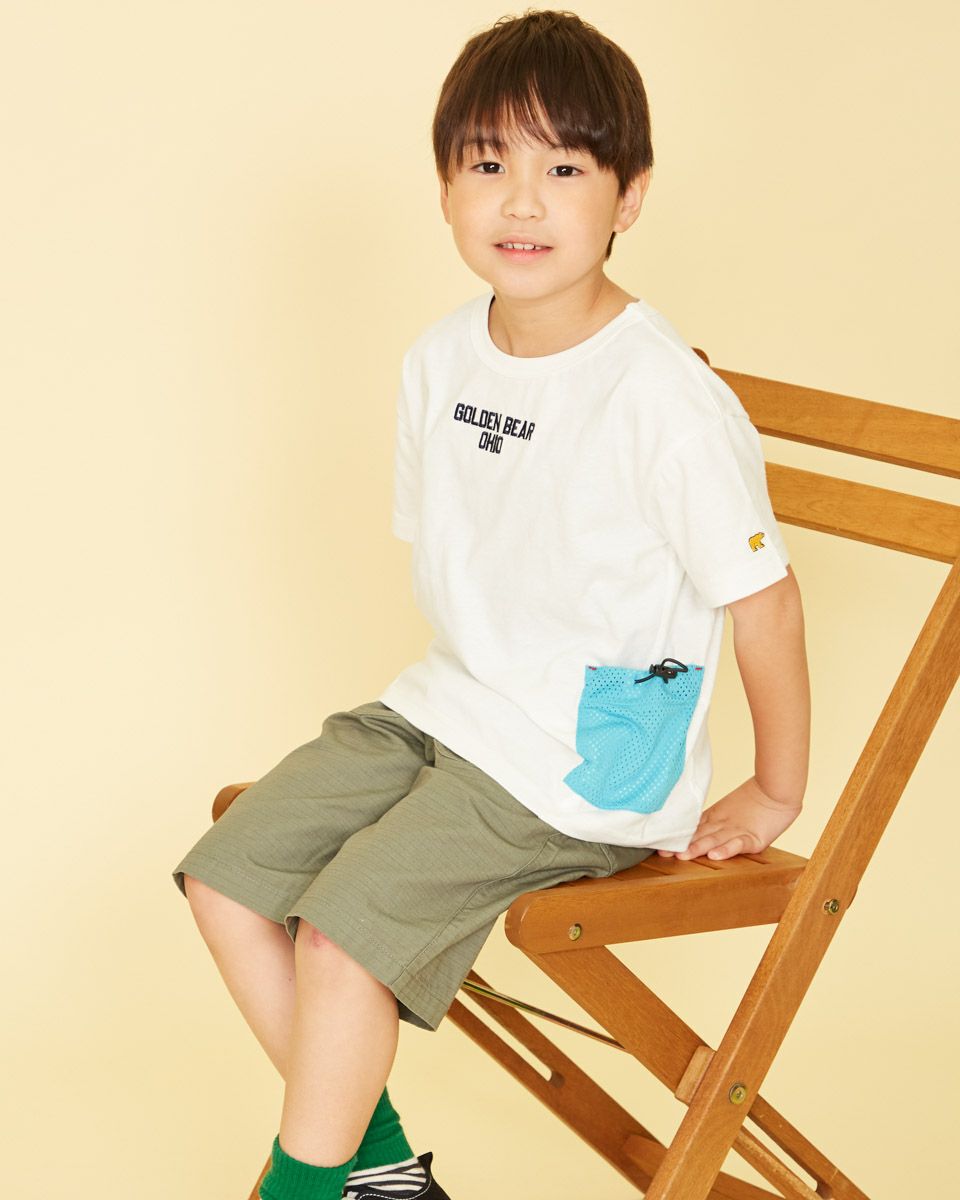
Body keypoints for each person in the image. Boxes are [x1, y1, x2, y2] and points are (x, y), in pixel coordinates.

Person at [171, 9, 811, 1200]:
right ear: (445, 191)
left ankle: (299, 1190)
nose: (522, 201)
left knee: (343, 931)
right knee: (228, 877)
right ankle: (377, 1176)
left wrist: (776, 789)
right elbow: (483, 566)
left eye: (564, 168)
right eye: (487, 164)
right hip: (454, 707)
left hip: (584, 760)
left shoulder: (662, 400)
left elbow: (766, 601)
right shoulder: (439, 360)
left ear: (628, 197)